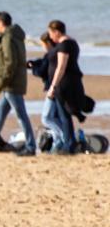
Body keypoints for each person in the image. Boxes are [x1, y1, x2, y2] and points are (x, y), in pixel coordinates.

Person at [0, 12, 33, 156]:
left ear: (0, 22)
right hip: (13, 82)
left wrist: (2, 81)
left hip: (11, 83)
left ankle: (30, 146)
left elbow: (10, 63)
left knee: (21, 115)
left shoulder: (8, 37)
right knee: (0, 114)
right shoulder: (15, 36)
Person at [46, 20, 86, 154]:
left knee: (64, 115)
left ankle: (69, 144)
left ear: (57, 32)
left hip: (64, 84)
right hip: (70, 82)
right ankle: (68, 142)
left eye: (51, 33)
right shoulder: (72, 43)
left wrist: (53, 86)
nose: (50, 37)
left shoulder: (64, 45)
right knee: (62, 114)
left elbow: (61, 67)